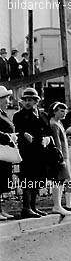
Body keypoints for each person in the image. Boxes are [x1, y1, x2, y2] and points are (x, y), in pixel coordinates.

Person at [13, 88, 51, 218]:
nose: (28, 103)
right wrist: (24, 134)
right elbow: (17, 130)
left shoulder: (42, 115)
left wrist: (47, 138)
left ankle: (34, 206)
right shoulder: (19, 115)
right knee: (28, 179)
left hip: (40, 151)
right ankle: (26, 207)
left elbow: (48, 130)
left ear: (36, 101)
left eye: (31, 100)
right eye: (25, 100)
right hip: (27, 151)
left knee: (38, 178)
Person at [47, 102, 71, 216]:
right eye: (61, 111)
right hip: (59, 156)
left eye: (64, 111)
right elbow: (57, 143)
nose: (64, 113)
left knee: (61, 180)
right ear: (54, 111)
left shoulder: (59, 123)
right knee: (58, 180)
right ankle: (57, 205)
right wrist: (60, 157)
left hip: (63, 155)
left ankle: (58, 205)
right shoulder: (54, 124)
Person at [0, 86, 15, 219]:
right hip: (1, 148)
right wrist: (8, 136)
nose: (8, 101)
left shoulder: (2, 113)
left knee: (2, 180)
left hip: (5, 150)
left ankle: (0, 210)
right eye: (6, 98)